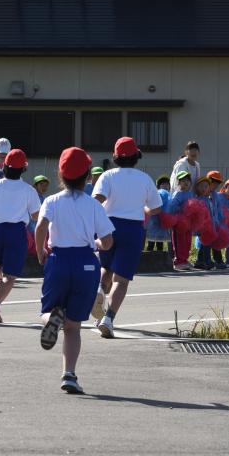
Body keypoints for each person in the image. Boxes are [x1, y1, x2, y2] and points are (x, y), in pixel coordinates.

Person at [34, 146, 115, 395]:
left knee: (47, 311)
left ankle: (51, 320)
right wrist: (98, 244)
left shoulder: (51, 200)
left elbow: (40, 227)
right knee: (74, 326)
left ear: (60, 174)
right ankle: (69, 374)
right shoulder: (93, 205)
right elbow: (108, 240)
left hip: (59, 259)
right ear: (88, 176)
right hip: (87, 262)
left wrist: (40, 253)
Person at [92, 137, 162, 337]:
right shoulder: (145, 178)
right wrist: (145, 208)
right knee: (121, 280)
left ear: (115, 157)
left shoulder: (107, 176)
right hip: (132, 228)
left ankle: (98, 289)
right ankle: (108, 318)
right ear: (136, 157)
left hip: (108, 225)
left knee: (105, 267)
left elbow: (97, 200)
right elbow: (156, 208)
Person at [0, 148, 42, 324]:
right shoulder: (29, 190)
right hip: (16, 231)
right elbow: (37, 216)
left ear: (5, 167)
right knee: (11, 275)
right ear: (23, 169)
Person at [145, 176, 172, 253]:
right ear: (158, 186)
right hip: (153, 223)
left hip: (162, 224)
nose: (165, 186)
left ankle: (159, 260)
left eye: (167, 184)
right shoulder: (156, 194)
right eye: (163, 184)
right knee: (151, 243)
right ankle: (148, 259)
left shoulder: (169, 195)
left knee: (160, 244)